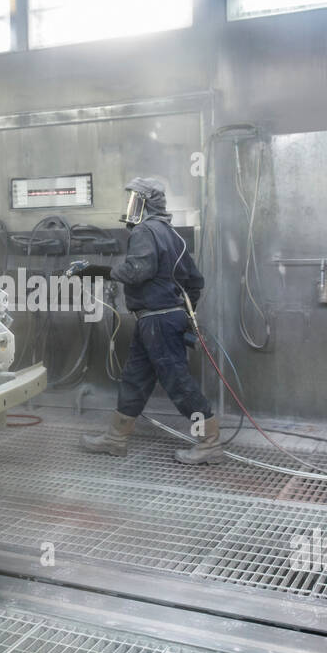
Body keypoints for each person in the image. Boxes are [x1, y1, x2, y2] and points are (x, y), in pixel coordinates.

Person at [68, 177, 222, 464]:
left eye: (134, 198)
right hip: (157, 320)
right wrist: (183, 314)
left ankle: (209, 442)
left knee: (178, 383)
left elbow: (137, 270)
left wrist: (94, 270)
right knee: (135, 379)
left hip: (157, 322)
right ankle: (116, 438)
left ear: (145, 202)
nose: (130, 204)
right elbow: (195, 281)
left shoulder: (144, 231)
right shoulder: (172, 235)